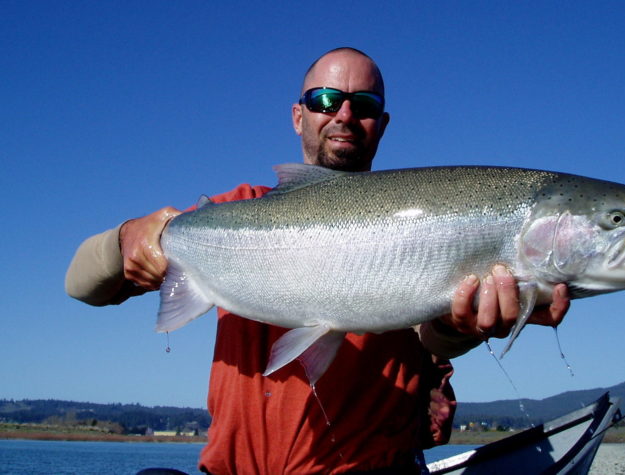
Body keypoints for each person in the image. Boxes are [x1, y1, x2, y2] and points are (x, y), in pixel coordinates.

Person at [66, 47, 570, 474]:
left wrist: (463, 327)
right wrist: (128, 238)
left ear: (382, 124)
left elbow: (432, 341)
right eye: (325, 100)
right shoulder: (229, 213)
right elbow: (80, 284)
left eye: (364, 103)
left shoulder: (424, 221)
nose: (344, 114)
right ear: (298, 115)